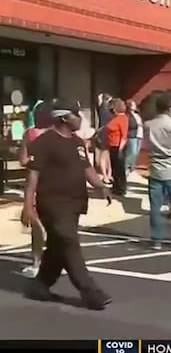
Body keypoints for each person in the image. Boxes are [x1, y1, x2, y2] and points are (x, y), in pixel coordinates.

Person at [21, 98, 112, 310]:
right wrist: (28, 206)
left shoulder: (77, 142)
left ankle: (41, 285)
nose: (80, 119)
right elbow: (32, 176)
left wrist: (101, 186)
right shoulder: (44, 142)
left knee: (57, 246)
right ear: (63, 117)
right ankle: (91, 292)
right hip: (52, 203)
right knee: (69, 242)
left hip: (74, 203)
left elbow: (86, 169)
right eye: (76, 115)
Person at [143, 95, 171, 250]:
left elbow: (146, 144)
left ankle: (156, 240)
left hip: (155, 168)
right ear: (170, 108)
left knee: (155, 207)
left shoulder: (148, 125)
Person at [18, 100, 53, 278]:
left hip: (36, 181)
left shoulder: (30, 134)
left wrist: (33, 161)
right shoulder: (57, 134)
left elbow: (23, 160)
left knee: (36, 223)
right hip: (56, 182)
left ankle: (36, 263)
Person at [104, 99, 129, 195]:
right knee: (114, 168)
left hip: (118, 146)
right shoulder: (115, 118)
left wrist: (120, 150)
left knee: (119, 168)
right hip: (112, 145)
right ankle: (116, 186)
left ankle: (121, 188)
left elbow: (124, 135)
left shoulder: (123, 118)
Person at [94, 93, 113, 183]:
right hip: (107, 133)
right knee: (106, 156)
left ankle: (106, 175)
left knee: (104, 156)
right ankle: (107, 175)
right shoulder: (107, 110)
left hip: (102, 133)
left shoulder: (102, 109)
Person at [125, 100, 143, 177]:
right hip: (132, 135)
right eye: (133, 105)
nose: (135, 106)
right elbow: (130, 125)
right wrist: (137, 125)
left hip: (139, 134)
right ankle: (126, 168)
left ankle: (132, 167)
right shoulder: (127, 115)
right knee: (131, 152)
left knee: (136, 152)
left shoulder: (137, 115)